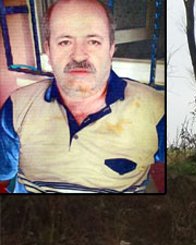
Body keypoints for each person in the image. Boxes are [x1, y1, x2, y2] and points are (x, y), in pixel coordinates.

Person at [0, 0, 165, 193]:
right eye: (65, 42)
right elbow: (4, 172)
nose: (78, 56)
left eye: (93, 41)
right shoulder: (18, 105)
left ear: (111, 49)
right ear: (48, 50)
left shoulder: (155, 108)